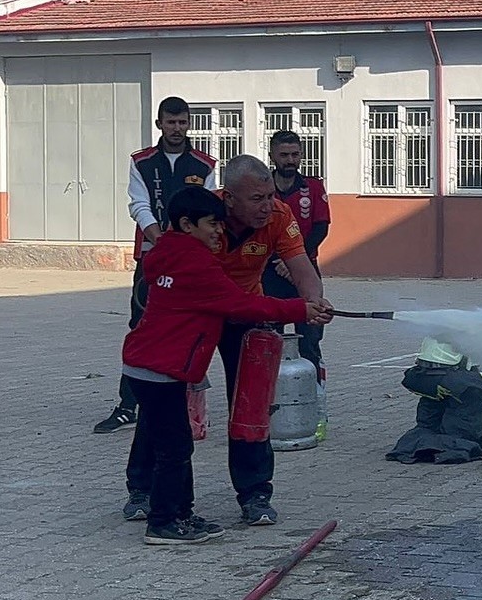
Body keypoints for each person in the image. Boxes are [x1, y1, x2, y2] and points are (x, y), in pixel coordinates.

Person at [122, 155, 327, 527]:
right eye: (256, 199)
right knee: (164, 401)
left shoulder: (280, 216)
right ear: (228, 198)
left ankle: (254, 494)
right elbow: (162, 262)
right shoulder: (201, 218)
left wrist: (313, 304)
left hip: (247, 316)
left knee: (251, 404)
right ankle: (142, 489)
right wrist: (296, 309)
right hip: (201, 316)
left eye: (269, 196)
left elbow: (302, 267)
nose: (267, 206)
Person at [94, 96, 217, 435]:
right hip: (152, 255)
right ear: (159, 124)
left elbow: (205, 212)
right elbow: (138, 204)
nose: (176, 128)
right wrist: (162, 242)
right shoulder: (142, 161)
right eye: (170, 122)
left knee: (188, 327)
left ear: (189, 123)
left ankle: (181, 401)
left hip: (190, 260)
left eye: (182, 122)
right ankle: (128, 404)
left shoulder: (204, 164)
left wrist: (183, 248)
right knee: (141, 326)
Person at [387, 339, 482, 464]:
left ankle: (426, 441)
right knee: (474, 396)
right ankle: (452, 443)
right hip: (456, 381)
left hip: (426, 376)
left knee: (430, 417)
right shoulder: (466, 370)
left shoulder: (421, 369)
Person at [262, 129, 331, 373]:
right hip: (270, 273)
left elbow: (321, 228)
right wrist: (279, 259)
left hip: (305, 272)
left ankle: (315, 399)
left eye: (294, 154)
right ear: (272, 156)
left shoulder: (312, 186)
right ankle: (271, 400)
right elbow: (256, 226)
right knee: (269, 339)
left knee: (310, 341)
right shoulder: (264, 189)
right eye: (284, 155)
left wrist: (294, 260)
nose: (290, 160)